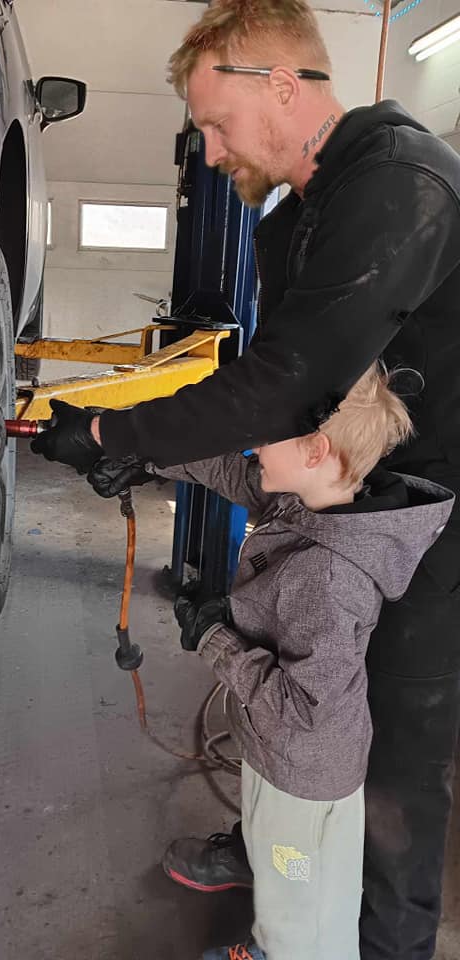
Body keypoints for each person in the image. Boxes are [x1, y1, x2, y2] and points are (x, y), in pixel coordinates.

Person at [30, 2, 460, 957]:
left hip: (431, 514)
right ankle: (279, 843)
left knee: (394, 741)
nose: (211, 149)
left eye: (217, 122)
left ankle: (389, 943)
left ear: (283, 84)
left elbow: (285, 385)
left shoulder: (402, 184)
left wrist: (112, 428)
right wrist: (137, 448)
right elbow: (275, 380)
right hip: (347, 485)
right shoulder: (306, 207)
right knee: (300, 668)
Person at [93, 365, 453, 960]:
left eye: (267, 434)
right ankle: (269, 945)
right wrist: (144, 453)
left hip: (302, 770)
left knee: (305, 920)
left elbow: (303, 708)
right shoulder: (314, 500)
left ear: (315, 450)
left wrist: (214, 638)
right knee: (284, 884)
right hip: (277, 754)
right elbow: (232, 471)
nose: (255, 444)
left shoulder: (328, 575)